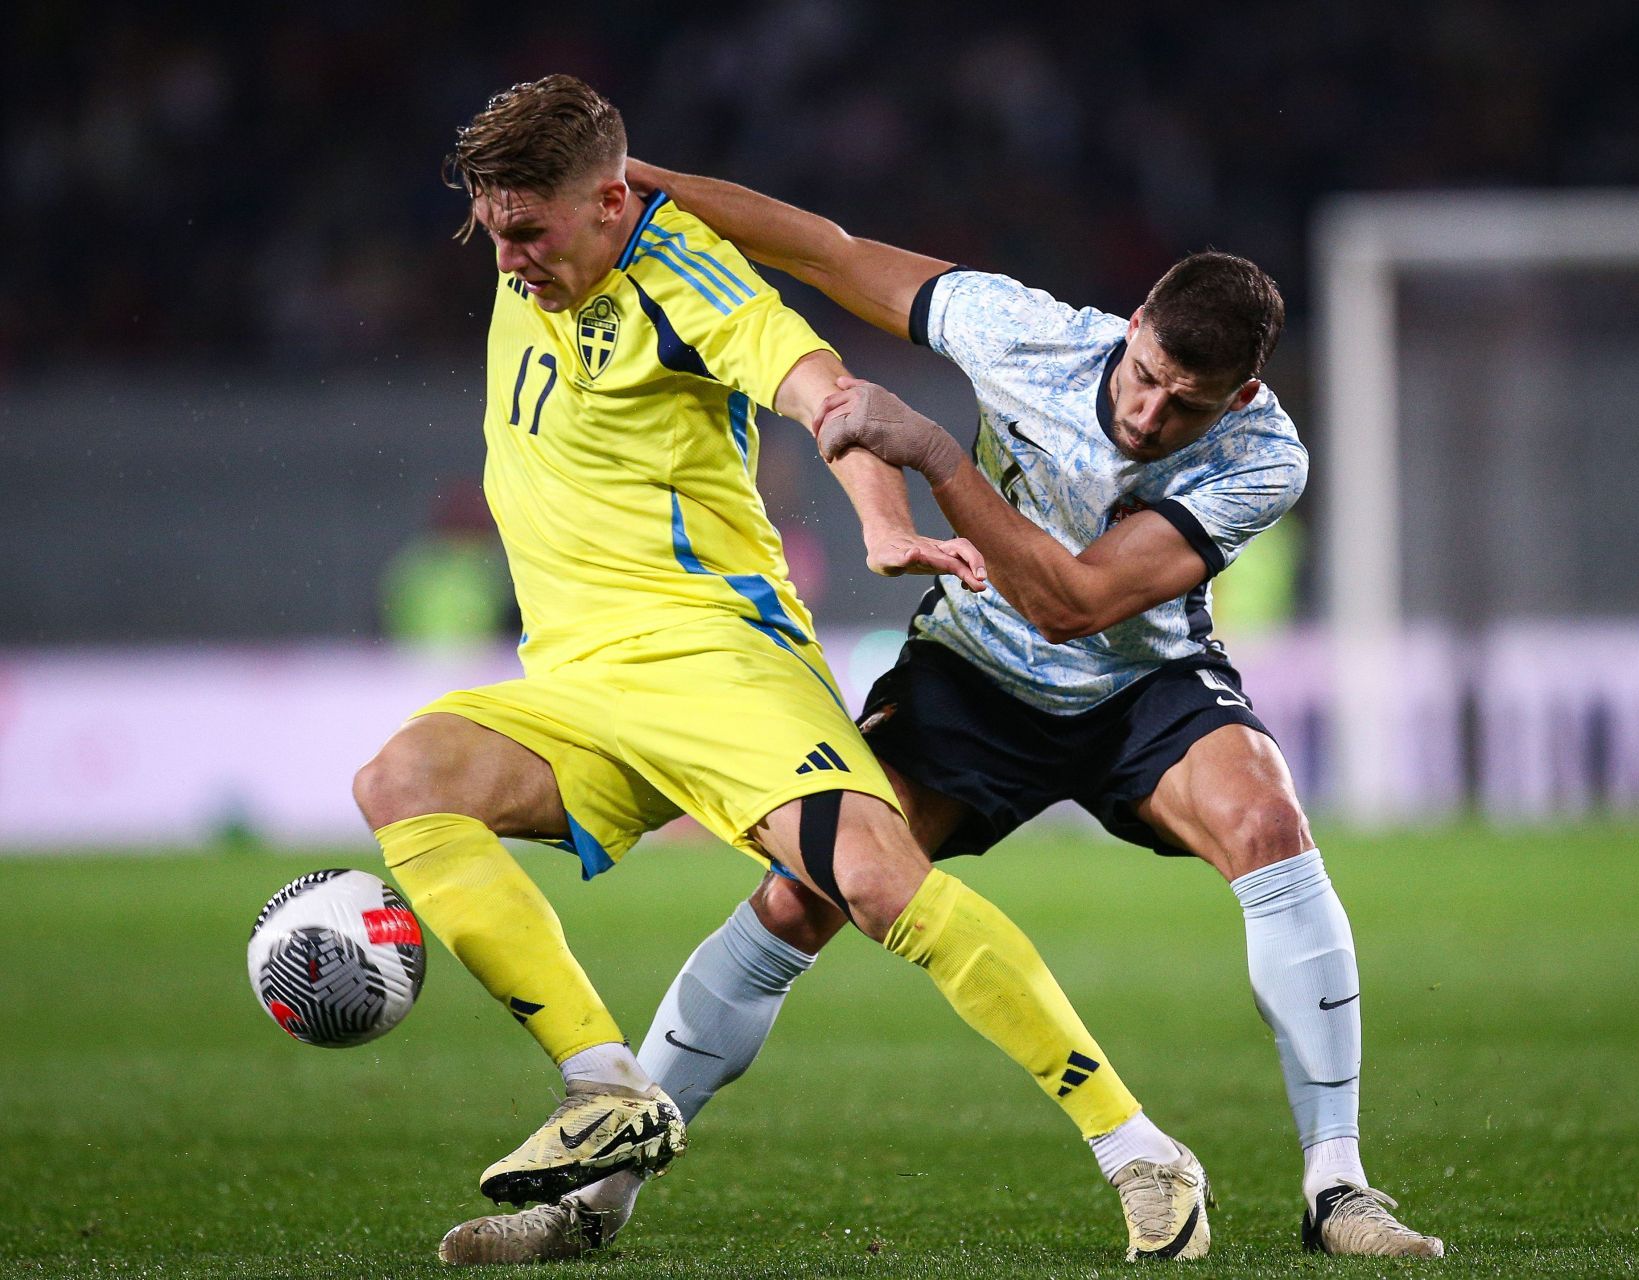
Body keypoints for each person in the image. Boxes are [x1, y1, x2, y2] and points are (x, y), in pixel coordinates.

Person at [467, 159, 1448, 1262]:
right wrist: (637, 184)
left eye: (1187, 403)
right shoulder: (1027, 330)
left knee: (1271, 826)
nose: (1148, 411)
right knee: (800, 896)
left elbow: (1074, 604)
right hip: (973, 675)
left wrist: (932, 452)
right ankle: (594, 1202)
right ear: (1129, 328)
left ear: (1245, 395)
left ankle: (1339, 1187)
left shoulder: (1264, 456)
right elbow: (823, 249)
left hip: (1139, 680)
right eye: (1146, 375)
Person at [354, 76, 1206, 1266]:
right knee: (405, 778)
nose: (507, 262)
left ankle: (1142, 1149)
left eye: (529, 233)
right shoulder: (535, 244)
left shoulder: (685, 275)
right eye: (491, 233)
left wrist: (878, 521)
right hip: (577, 680)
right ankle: (603, 1084)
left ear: (610, 202)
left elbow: (830, 396)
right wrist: (515, 225)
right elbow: (521, 228)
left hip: (714, 660)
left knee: (877, 882)